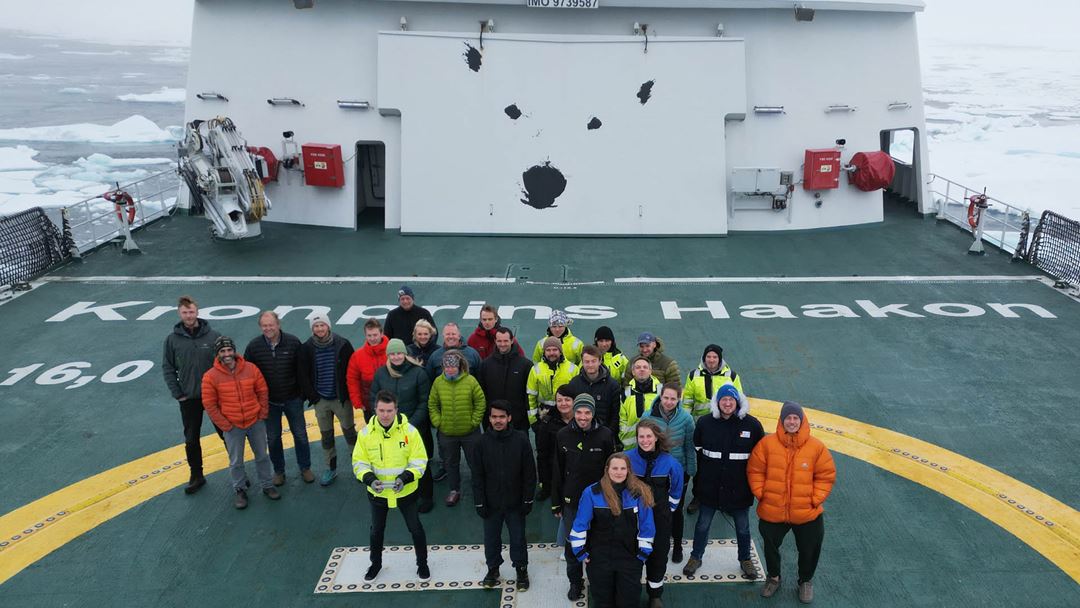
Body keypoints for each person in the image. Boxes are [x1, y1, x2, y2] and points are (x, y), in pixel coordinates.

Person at [748, 401, 836, 604]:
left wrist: (814, 499)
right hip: (773, 509)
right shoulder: (767, 444)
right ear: (781, 421)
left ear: (802, 421)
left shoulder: (816, 448)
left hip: (806, 512)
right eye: (788, 418)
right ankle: (773, 577)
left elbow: (826, 475)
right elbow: (755, 470)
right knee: (770, 544)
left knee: (810, 547)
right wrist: (763, 494)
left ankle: (805, 580)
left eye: (796, 418)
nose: (792, 422)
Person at [684, 383, 764, 580]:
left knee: (743, 527)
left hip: (739, 489)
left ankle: (745, 559)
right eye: (723, 399)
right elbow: (698, 452)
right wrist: (699, 483)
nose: (727, 403)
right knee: (702, 525)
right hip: (709, 487)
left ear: (737, 402)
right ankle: (696, 557)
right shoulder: (704, 423)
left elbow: (761, 457)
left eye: (731, 399)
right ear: (717, 402)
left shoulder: (752, 425)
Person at [352, 390, 430, 583]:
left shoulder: (410, 432)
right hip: (378, 494)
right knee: (376, 531)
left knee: (416, 529)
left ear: (396, 410)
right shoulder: (365, 434)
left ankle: (423, 564)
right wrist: (369, 479)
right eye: (381, 410)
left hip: (406, 491)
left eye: (389, 410)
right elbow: (359, 462)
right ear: (375, 410)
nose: (385, 415)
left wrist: (405, 478)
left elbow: (419, 460)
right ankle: (375, 564)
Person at [201, 336, 280, 509]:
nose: (227, 354)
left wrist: (262, 414)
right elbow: (209, 404)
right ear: (218, 354)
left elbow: (262, 391)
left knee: (262, 456)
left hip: (255, 422)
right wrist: (226, 425)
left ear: (234, 351)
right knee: (236, 461)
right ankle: (240, 489)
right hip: (232, 425)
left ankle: (267, 485)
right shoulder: (210, 377)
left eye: (229, 350)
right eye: (222, 351)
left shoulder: (251, 369)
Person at [570, 453, 656, 608]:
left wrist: (642, 555)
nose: (619, 472)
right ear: (607, 469)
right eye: (615, 468)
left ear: (629, 470)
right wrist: (580, 552)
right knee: (603, 601)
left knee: (629, 601)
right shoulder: (592, 493)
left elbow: (647, 526)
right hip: (600, 559)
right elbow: (580, 524)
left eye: (623, 468)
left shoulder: (639, 493)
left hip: (629, 558)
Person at [553, 394, 617, 601]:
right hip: (572, 501)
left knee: (598, 543)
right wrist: (557, 503)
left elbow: (611, 470)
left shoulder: (606, 435)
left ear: (593, 413)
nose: (582, 417)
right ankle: (575, 581)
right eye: (579, 412)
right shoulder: (563, 435)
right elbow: (558, 470)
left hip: (599, 500)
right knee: (573, 544)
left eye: (587, 412)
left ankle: (598, 579)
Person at [472, 400, 537, 591]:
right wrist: (479, 502)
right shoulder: (481, 443)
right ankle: (493, 569)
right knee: (491, 539)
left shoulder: (521, 440)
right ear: (489, 418)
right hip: (491, 503)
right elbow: (477, 475)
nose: (497, 420)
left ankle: (521, 570)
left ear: (509, 418)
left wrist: (527, 499)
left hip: (515, 503)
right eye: (494, 417)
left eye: (502, 416)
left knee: (518, 539)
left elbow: (529, 473)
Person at [161, 295, 222, 494]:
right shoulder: (172, 340)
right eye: (185, 312)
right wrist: (178, 393)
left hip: (214, 396)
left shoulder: (213, 337)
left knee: (227, 434)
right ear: (180, 313)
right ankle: (196, 475)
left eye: (191, 312)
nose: (189, 315)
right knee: (191, 438)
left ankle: (238, 473)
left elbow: (226, 363)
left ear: (197, 312)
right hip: (189, 398)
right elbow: (168, 368)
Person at [243, 311, 312, 486]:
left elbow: (303, 370)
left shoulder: (293, 342)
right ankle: (279, 471)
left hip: (293, 399)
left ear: (278, 324)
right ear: (261, 327)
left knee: (301, 435)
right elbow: (247, 374)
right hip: (269, 402)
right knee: (273, 438)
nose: (268, 328)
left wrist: (302, 394)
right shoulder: (254, 347)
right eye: (264, 325)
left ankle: (305, 468)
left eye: (271, 325)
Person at [369, 338, 434, 512]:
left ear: (405, 354)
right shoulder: (381, 374)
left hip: (415, 428)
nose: (396, 357)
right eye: (392, 354)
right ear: (388, 355)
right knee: (395, 461)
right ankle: (398, 491)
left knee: (420, 462)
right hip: (388, 430)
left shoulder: (418, 373)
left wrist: (409, 425)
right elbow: (374, 399)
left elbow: (424, 402)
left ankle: (426, 496)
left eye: (399, 353)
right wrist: (385, 421)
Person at [626, 419, 683, 608]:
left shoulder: (670, 463)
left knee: (658, 556)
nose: (644, 440)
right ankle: (630, 591)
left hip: (660, 518)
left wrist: (667, 511)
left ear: (656, 438)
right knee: (631, 555)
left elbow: (676, 491)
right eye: (641, 436)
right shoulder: (626, 460)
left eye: (648, 436)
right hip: (632, 518)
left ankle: (655, 594)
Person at [683, 344, 745, 514]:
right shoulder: (693, 375)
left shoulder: (731, 376)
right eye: (708, 357)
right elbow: (687, 400)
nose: (711, 360)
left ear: (720, 359)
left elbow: (737, 400)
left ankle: (728, 499)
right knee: (701, 463)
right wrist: (687, 421)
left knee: (726, 462)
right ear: (704, 358)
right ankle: (699, 496)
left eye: (714, 357)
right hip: (701, 427)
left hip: (725, 426)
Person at [297, 315, 358, 486]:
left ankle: (359, 466)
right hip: (321, 400)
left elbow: (352, 371)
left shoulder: (343, 344)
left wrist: (348, 394)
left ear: (328, 326)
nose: (319, 329)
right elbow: (303, 375)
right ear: (312, 329)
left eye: (322, 325)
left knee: (350, 433)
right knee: (326, 436)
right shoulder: (307, 348)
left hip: (341, 399)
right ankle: (331, 468)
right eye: (316, 326)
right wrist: (314, 397)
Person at [641, 383, 696, 564]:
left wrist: (690, 470)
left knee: (676, 511)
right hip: (655, 473)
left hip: (677, 473)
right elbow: (641, 444)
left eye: (673, 398)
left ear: (678, 399)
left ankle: (678, 545)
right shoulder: (648, 417)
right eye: (666, 398)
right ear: (660, 397)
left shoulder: (686, 419)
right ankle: (654, 543)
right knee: (653, 508)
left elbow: (689, 446)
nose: (669, 402)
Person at [428, 350, 485, 506]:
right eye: (447, 367)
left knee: (475, 462)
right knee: (450, 463)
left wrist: (474, 421)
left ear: (460, 366)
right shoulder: (438, 383)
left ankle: (479, 489)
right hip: (447, 433)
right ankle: (454, 490)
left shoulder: (471, 381)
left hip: (470, 433)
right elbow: (432, 404)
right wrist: (438, 422)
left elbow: (480, 402)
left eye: (453, 367)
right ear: (443, 367)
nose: (450, 369)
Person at [477, 326, 532, 430]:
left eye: (506, 341)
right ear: (495, 341)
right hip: (493, 423)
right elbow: (482, 394)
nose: (502, 344)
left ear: (512, 340)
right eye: (499, 341)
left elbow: (528, 395)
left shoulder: (525, 365)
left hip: (518, 423)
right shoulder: (485, 365)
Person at [537, 385, 576, 535]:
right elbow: (542, 453)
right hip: (556, 472)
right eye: (559, 400)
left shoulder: (582, 419)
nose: (563, 403)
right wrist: (544, 480)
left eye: (567, 399)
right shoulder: (547, 422)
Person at [565, 345, 622, 434]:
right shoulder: (574, 383)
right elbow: (570, 410)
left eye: (593, 361)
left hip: (604, 434)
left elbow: (616, 414)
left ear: (600, 361)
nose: (590, 365)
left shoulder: (612, 385)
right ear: (582, 362)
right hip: (579, 433)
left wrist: (609, 434)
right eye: (587, 362)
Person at [526, 336, 578, 428]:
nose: (551, 353)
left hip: (567, 418)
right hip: (544, 417)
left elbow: (578, 396)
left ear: (560, 351)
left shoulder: (573, 369)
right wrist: (533, 421)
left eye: (555, 350)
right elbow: (530, 397)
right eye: (548, 350)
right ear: (544, 352)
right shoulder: (536, 370)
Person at [618, 357, 662, 449]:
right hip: (631, 447)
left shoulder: (661, 391)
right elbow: (622, 420)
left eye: (645, 367)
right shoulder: (625, 393)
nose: (642, 369)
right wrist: (625, 438)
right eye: (638, 367)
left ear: (650, 371)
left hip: (657, 446)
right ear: (633, 372)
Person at [346, 318, 389, 414]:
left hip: (391, 404)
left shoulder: (392, 352)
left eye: (375, 335)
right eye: (369, 335)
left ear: (381, 334)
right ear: (365, 335)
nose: (372, 338)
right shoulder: (357, 356)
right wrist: (357, 402)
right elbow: (352, 380)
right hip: (369, 405)